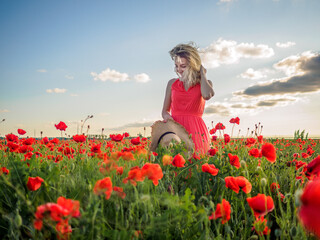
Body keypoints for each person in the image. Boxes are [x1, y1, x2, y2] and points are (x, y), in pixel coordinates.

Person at [162, 43, 214, 156]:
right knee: (177, 166)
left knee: (197, 166)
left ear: (193, 65)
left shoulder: (204, 84)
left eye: (183, 66)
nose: (179, 70)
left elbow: (207, 95)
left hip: (196, 130)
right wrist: (168, 119)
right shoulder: (172, 83)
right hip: (176, 129)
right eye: (176, 66)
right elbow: (164, 111)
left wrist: (202, 74)